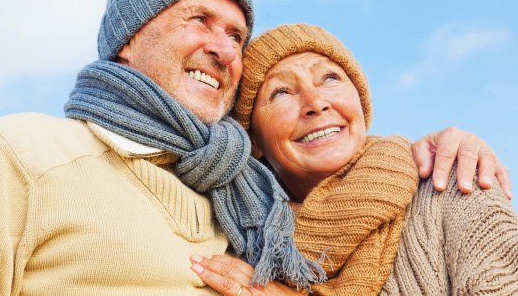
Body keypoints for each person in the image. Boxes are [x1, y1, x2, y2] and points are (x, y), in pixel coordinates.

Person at [0, 0, 510, 295]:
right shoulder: (26, 156)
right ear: (127, 40)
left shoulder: (239, 211)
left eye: (237, 35)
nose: (221, 47)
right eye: (197, 19)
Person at [190, 24, 518, 295]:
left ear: (360, 103)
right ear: (254, 140)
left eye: (330, 78)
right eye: (282, 92)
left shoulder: (455, 183)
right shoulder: (238, 243)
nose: (315, 102)